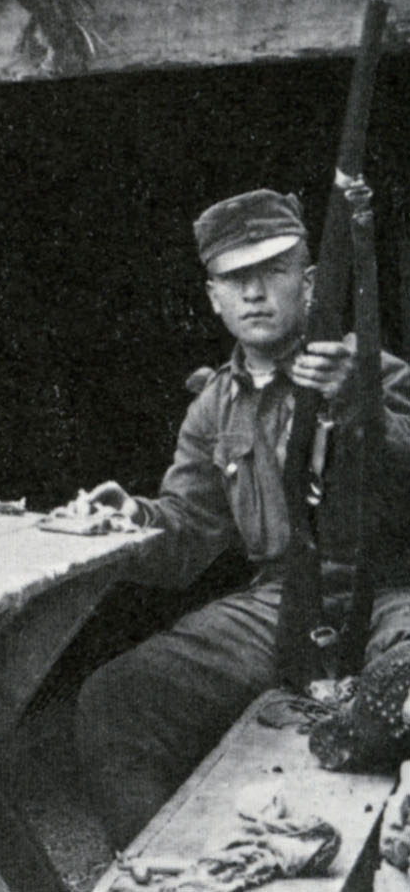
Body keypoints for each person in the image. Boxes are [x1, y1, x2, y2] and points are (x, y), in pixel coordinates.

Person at [74, 189, 410, 848]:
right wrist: (128, 521)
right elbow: (184, 540)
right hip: (279, 601)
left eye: (273, 271)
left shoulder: (376, 371)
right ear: (212, 297)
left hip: (390, 593)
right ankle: (172, 870)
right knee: (116, 700)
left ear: (308, 283)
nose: (254, 293)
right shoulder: (211, 408)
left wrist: (361, 408)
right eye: (235, 277)